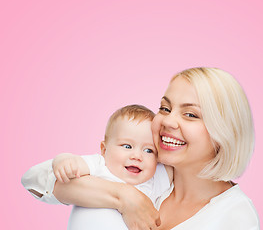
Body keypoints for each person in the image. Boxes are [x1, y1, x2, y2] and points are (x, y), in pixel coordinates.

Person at [23, 67, 260, 229]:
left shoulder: (236, 215)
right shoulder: (145, 170)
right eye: (165, 109)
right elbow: (37, 181)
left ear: (224, 132)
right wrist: (125, 197)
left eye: (190, 114)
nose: (168, 121)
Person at [21, 104, 172, 229]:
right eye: (127, 146)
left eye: (148, 150)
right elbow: (70, 164)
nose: (137, 156)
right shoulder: (99, 165)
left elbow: (181, 169)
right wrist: (63, 160)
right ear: (104, 150)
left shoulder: (152, 180)